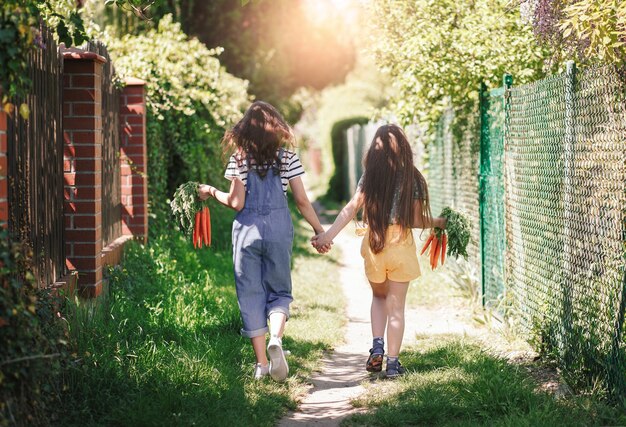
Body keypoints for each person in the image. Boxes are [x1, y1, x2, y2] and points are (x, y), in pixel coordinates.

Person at [198, 101, 330, 381]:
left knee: (250, 295)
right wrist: (320, 231)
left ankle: (261, 365)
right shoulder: (287, 158)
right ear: (276, 129)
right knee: (280, 291)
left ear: (245, 130)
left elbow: (235, 202)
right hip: (279, 230)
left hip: (247, 231)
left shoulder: (239, 159)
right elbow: (302, 201)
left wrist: (210, 191)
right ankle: (277, 341)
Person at [311, 124, 446, 378]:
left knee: (379, 298)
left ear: (374, 150)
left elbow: (351, 208)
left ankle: (377, 347)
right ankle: (393, 364)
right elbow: (417, 220)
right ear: (404, 149)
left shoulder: (369, 176)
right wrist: (439, 222)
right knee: (397, 307)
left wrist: (327, 235)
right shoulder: (413, 178)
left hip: (375, 244)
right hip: (401, 247)